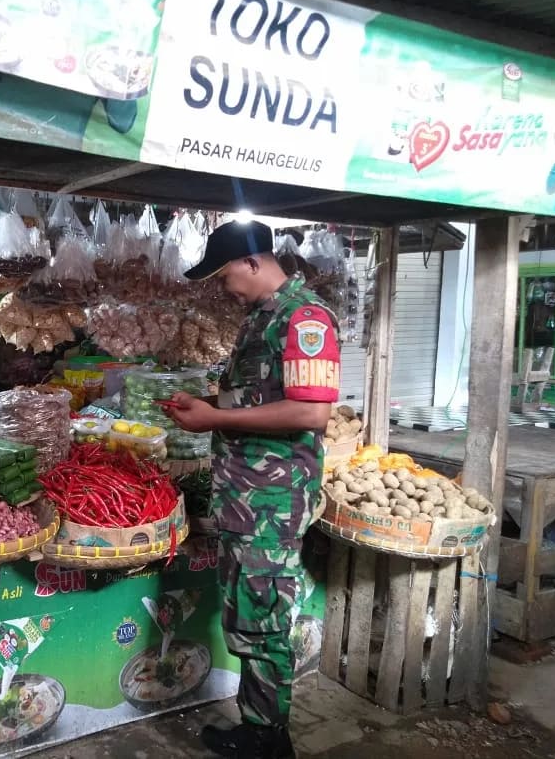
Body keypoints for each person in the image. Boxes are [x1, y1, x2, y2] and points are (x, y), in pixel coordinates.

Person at [164, 220, 340, 759]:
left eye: (224, 276)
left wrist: (215, 418)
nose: (223, 287)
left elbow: (313, 409)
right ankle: (258, 725)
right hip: (247, 496)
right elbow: (252, 400)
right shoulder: (263, 317)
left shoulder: (303, 317)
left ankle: (268, 739)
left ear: (253, 262)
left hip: (272, 498)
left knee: (263, 616)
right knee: (248, 613)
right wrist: (212, 411)